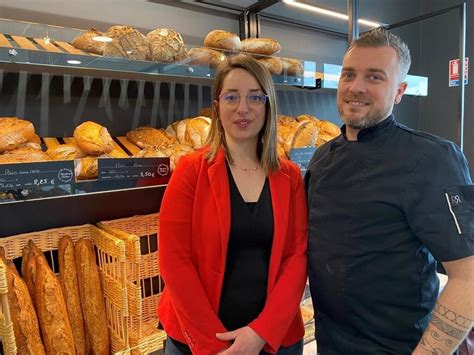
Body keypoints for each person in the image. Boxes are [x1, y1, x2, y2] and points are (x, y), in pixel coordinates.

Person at [305, 28, 474, 354]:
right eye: (349, 75)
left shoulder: (432, 159)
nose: (356, 87)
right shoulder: (321, 158)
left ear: (400, 91)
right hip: (330, 344)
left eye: (375, 77)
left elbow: (468, 276)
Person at [158, 55, 308, 355]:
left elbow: (297, 256)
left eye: (255, 97)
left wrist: (260, 333)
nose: (243, 108)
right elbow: (174, 261)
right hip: (198, 341)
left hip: (273, 340)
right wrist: (213, 346)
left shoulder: (289, 176)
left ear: (268, 106)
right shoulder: (192, 170)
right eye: (231, 97)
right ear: (217, 107)